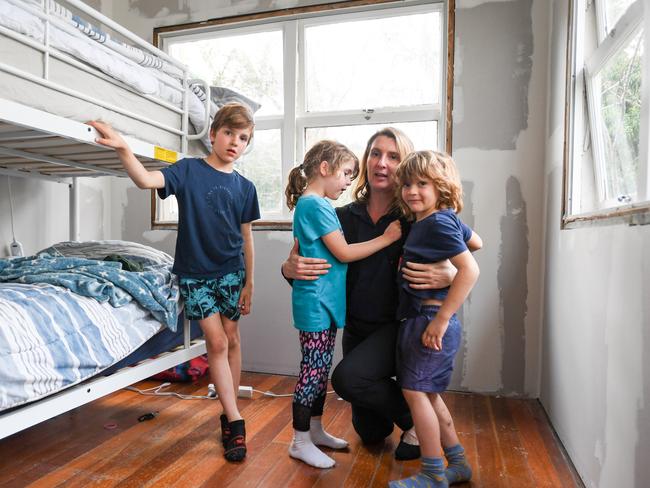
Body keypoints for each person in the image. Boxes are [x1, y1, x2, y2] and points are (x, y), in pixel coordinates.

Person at [281, 128, 482, 463]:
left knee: (345, 379)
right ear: (365, 160)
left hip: (398, 326)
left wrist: (449, 272)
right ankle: (415, 413)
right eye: (375, 153)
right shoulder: (339, 215)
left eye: (393, 156)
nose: (382, 163)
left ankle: (419, 423)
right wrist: (289, 269)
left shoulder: (417, 218)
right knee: (371, 433)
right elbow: (302, 261)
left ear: (404, 167)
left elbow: (466, 253)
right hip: (357, 328)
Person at [88, 103, 260, 463]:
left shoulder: (245, 187)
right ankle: (236, 420)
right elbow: (146, 180)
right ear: (213, 134)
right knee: (214, 341)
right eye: (229, 133)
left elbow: (247, 237)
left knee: (231, 339)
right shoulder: (188, 171)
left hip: (232, 273)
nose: (234, 142)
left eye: (242, 138)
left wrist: (249, 283)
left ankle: (228, 414)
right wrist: (123, 148)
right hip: (196, 275)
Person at [284, 140, 402, 469]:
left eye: (352, 174)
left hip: (332, 307)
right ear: (325, 169)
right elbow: (344, 253)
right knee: (312, 373)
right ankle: (300, 440)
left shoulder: (316, 205)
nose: (349, 181)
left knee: (319, 372)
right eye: (346, 173)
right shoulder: (317, 206)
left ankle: (316, 431)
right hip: (317, 305)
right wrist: (387, 238)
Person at [389, 150, 480, 487]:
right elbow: (478, 242)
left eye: (422, 183)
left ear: (441, 186)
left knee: (414, 394)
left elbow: (470, 270)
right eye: (407, 184)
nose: (412, 191)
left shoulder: (437, 223)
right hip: (425, 318)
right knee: (427, 394)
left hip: (429, 319)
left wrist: (441, 319)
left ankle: (432, 472)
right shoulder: (442, 219)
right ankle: (457, 463)